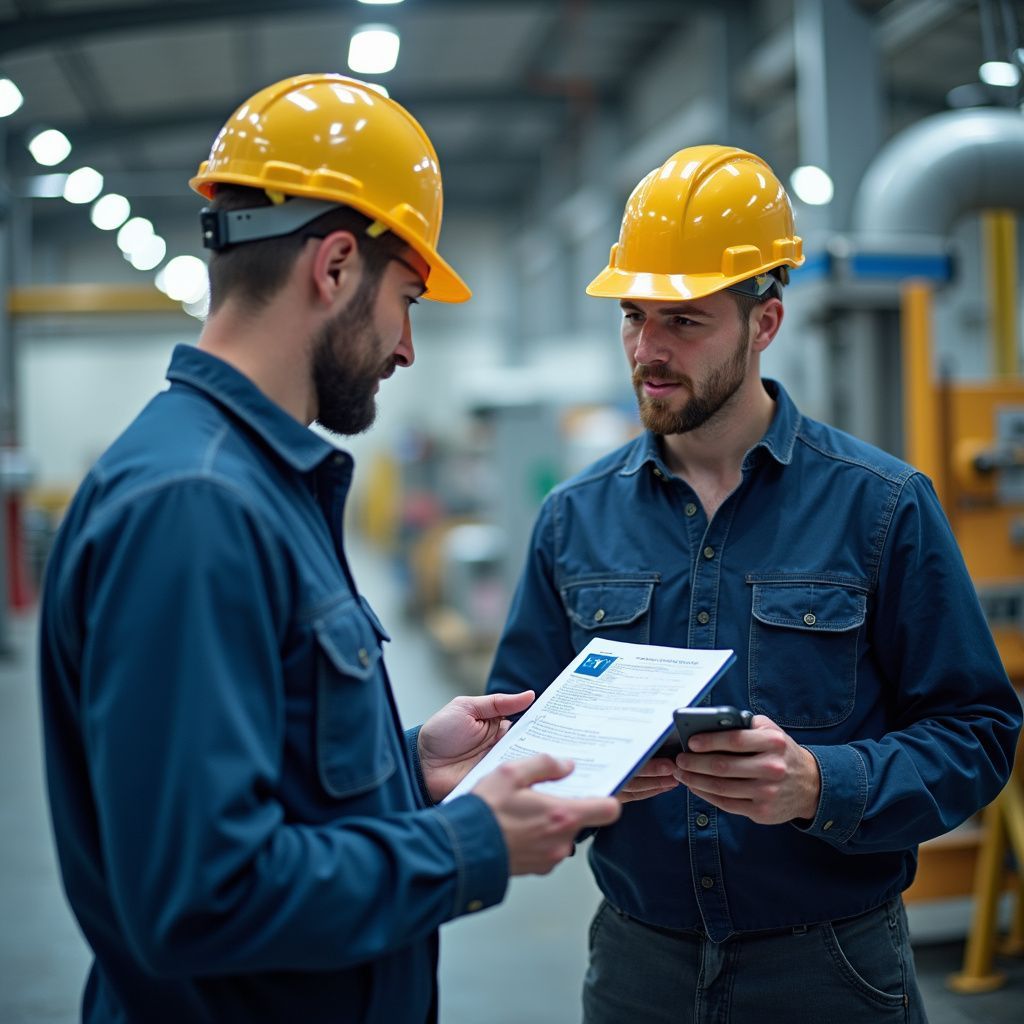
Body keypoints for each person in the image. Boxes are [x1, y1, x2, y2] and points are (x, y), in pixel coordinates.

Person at [38, 74, 620, 1024]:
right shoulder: (197, 507)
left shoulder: (252, 483)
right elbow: (200, 895)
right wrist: (473, 843)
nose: (407, 348)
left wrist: (406, 768)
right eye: (410, 299)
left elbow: (247, 778)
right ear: (336, 266)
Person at [485, 144, 1022, 1023]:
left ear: (764, 323)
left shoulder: (881, 507)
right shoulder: (573, 519)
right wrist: (578, 784)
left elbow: (978, 735)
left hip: (831, 969)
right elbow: (522, 732)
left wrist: (821, 783)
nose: (647, 351)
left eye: (684, 322)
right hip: (635, 967)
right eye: (632, 316)